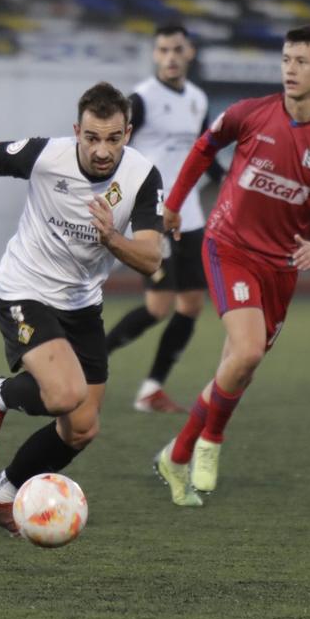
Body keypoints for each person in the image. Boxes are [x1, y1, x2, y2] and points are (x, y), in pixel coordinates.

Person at [0, 83, 163, 534]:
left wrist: (113, 238)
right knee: (64, 395)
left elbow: (151, 258)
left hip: (82, 303)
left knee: (83, 427)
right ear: (77, 131)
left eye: (112, 138)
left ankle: (0, 495)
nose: (102, 150)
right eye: (91, 137)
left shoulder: (143, 177)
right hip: (24, 290)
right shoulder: (46, 156)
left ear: (127, 133)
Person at [150, 27, 310, 507]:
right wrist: (174, 204)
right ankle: (212, 443)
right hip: (228, 245)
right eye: (286, 60)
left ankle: (177, 454)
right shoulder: (250, 113)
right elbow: (204, 148)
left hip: (281, 269)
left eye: (301, 61)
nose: (290, 70)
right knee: (248, 352)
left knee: (236, 370)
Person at [103, 26, 217, 414]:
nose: (170, 56)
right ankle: (91, 361)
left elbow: (206, 154)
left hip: (193, 217)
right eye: (163, 49)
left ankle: (152, 389)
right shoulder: (142, 100)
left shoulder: (199, 100)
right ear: (155, 55)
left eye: (177, 49)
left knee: (190, 306)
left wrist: (232, 180)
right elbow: (116, 153)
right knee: (157, 307)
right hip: (157, 217)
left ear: (190, 53)